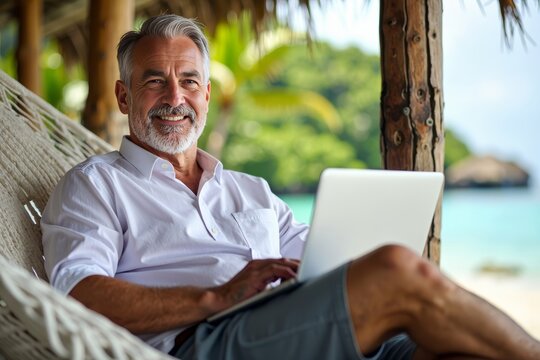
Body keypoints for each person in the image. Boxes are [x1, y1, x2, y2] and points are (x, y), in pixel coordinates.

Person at [41, 14, 540, 360]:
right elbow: (77, 294)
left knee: (453, 349)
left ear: (207, 95)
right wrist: (216, 297)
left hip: (298, 329)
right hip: (199, 345)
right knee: (397, 267)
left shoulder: (251, 190)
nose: (176, 97)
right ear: (124, 96)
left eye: (190, 81)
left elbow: (321, 261)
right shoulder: (94, 187)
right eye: (155, 81)